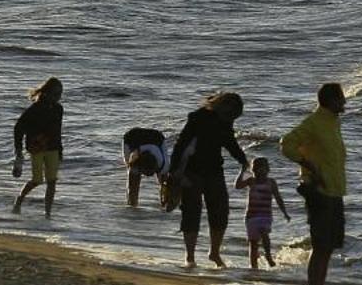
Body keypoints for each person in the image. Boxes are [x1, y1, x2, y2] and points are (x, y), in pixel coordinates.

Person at [282, 81, 349, 285]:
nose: (345, 102)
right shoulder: (314, 122)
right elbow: (286, 143)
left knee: (328, 247)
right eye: (341, 98)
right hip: (319, 192)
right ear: (331, 100)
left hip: (335, 190)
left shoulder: (332, 123)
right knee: (321, 246)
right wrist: (306, 164)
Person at [167, 92, 247, 268]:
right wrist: (173, 171)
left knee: (220, 211)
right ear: (223, 106)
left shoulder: (226, 120)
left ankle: (214, 253)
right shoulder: (197, 118)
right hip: (191, 170)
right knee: (191, 212)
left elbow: (229, 142)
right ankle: (189, 257)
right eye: (231, 114)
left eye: (234, 116)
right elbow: (181, 144)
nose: (232, 118)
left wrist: (242, 159)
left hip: (214, 170)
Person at [12, 77, 65, 218]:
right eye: (55, 94)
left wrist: (60, 150)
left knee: (52, 181)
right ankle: (19, 200)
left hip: (53, 147)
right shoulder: (34, 109)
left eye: (60, 94)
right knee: (37, 180)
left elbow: (58, 130)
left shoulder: (59, 109)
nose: (58, 97)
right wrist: (19, 150)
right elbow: (18, 128)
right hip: (36, 147)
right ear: (46, 93)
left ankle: (47, 213)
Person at [234, 157, 294, 269]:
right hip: (251, 216)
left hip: (265, 215)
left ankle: (268, 255)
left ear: (267, 169)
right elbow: (237, 186)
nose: (261, 171)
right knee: (253, 243)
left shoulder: (271, 182)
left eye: (264, 168)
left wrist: (285, 213)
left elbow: (278, 198)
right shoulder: (251, 181)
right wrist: (242, 171)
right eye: (258, 169)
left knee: (264, 233)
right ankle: (253, 266)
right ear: (254, 170)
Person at [122, 126, 167, 208]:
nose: (149, 175)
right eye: (146, 172)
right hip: (131, 137)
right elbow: (131, 189)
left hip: (157, 137)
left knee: (165, 184)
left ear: (156, 166)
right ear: (140, 167)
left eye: (151, 172)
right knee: (133, 185)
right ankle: (132, 208)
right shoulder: (133, 162)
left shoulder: (162, 163)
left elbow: (166, 188)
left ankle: (164, 206)